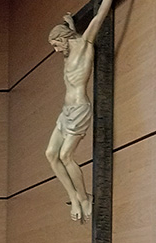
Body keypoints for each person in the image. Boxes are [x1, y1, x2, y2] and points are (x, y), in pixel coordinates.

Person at [44, 0, 113, 222]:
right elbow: (70, 37)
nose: (56, 50)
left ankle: (84, 198)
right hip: (66, 111)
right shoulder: (68, 49)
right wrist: (71, 24)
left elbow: (100, 15)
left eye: (56, 44)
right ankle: (73, 196)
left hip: (80, 109)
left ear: (64, 39)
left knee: (66, 155)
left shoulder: (85, 44)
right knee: (50, 154)